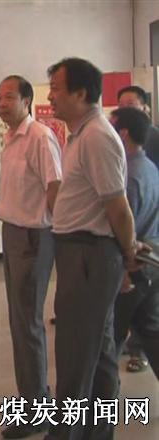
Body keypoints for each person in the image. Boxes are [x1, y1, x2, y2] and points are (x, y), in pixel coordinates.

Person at [45, 58, 145, 440]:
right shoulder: (80, 135)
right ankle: (98, 433)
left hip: (89, 254)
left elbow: (117, 206)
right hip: (79, 252)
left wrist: (128, 254)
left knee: (75, 354)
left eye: (56, 88)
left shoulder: (97, 137)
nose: (50, 96)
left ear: (81, 93)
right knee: (100, 354)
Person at [0, 75, 62, 439]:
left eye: (9, 97)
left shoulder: (39, 136)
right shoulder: (11, 137)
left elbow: (55, 185)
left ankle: (38, 408)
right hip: (13, 233)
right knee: (19, 322)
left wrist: (61, 234)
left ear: (27, 101)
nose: (2, 103)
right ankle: (33, 398)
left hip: (34, 237)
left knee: (28, 323)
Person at [110, 106, 159, 380]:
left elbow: (125, 225)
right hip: (153, 259)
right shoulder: (149, 167)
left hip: (135, 262)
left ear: (123, 134)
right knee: (150, 329)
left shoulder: (127, 175)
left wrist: (125, 272)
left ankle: (101, 399)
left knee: (111, 335)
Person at [118, 85, 159, 168]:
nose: (125, 109)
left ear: (144, 108)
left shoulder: (155, 136)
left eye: (130, 104)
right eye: (121, 105)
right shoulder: (117, 134)